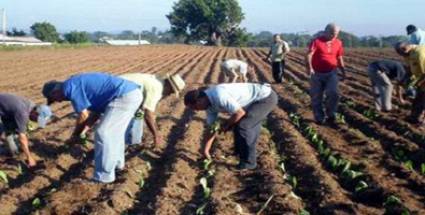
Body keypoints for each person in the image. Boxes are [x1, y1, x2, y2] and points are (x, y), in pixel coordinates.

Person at [42, 72, 143, 183]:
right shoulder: (78, 85)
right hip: (131, 94)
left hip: (124, 95)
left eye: (54, 98)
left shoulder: (69, 87)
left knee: (103, 133)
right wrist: (83, 132)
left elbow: (83, 115)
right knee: (115, 133)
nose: (59, 101)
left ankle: (103, 177)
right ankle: (118, 165)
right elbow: (94, 115)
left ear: (55, 92)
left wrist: (75, 135)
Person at [184, 83, 277, 170]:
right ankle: (239, 152)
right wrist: (206, 150)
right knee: (239, 123)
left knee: (244, 126)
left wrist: (227, 124)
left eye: (195, 107)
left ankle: (249, 163)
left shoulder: (219, 96)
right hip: (252, 102)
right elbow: (211, 128)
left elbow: (240, 113)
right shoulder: (209, 106)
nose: (196, 110)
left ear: (199, 100)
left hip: (265, 98)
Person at [119, 72, 186, 146]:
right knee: (122, 123)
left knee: (138, 115)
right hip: (120, 92)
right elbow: (148, 114)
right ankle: (125, 142)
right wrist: (156, 134)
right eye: (172, 91)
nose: (170, 94)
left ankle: (133, 141)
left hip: (125, 91)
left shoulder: (158, 81)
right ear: (169, 86)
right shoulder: (157, 88)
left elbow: (144, 110)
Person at [305, 23, 346, 125]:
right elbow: (309, 55)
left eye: (336, 33)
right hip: (317, 73)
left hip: (332, 72)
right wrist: (309, 68)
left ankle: (331, 114)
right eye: (332, 33)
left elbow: (339, 57)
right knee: (316, 96)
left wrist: (343, 71)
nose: (334, 35)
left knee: (333, 93)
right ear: (326, 31)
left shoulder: (338, 43)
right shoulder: (317, 41)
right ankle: (319, 117)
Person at [0, 93, 52, 167]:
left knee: (12, 128)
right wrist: (29, 157)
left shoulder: (32, 107)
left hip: (5, 111)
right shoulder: (23, 113)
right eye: (37, 119)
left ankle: (13, 150)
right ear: (35, 113)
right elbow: (22, 138)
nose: (37, 121)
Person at [394, 42, 425, 126]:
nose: (403, 56)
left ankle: (422, 121)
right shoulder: (408, 54)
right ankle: (414, 118)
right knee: (418, 99)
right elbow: (409, 69)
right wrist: (404, 80)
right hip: (420, 78)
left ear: (405, 49)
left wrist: (417, 84)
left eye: (402, 54)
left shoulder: (420, 53)